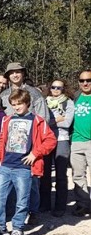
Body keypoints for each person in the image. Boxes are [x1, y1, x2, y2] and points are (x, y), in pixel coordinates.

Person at [0, 89, 56, 235]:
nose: (16, 107)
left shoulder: (38, 120)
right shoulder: (7, 120)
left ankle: (17, 228)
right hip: (6, 165)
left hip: (24, 167)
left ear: (27, 103)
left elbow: (51, 140)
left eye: (19, 103)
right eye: (13, 104)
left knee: (22, 199)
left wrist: (35, 153)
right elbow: (2, 140)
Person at [39, 79, 74, 216]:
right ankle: (45, 204)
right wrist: (57, 119)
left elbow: (67, 123)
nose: (55, 90)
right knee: (45, 173)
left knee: (60, 174)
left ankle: (60, 206)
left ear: (64, 89)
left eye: (59, 88)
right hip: (46, 140)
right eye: (53, 87)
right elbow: (42, 122)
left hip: (62, 140)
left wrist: (50, 122)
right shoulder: (44, 101)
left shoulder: (68, 102)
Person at [71, 70, 91, 216]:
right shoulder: (74, 97)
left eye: (89, 80)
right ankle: (83, 204)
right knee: (78, 175)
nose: (85, 83)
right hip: (76, 141)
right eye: (82, 80)